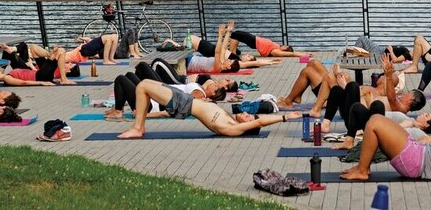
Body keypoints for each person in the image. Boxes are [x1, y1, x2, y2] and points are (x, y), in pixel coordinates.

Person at [117, 80, 302, 138]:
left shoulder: (232, 129)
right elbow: (258, 120)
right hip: (187, 100)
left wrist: (285, 118)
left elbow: (261, 121)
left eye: (248, 117)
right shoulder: (231, 120)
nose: (245, 114)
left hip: (185, 104)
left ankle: (138, 128)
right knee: (146, 83)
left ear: (248, 126)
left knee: (142, 87)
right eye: (248, 113)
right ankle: (139, 126)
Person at [228, 27, 312, 58]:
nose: (284, 45)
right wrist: (303, 53)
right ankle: (234, 53)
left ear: (285, 50)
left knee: (235, 35)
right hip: (254, 40)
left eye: (285, 46)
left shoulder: (276, 51)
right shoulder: (277, 48)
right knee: (236, 34)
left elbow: (291, 54)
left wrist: (302, 55)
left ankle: (232, 55)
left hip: (254, 41)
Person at [344, 37, 410, 62]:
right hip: (380, 50)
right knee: (362, 43)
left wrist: (391, 50)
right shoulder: (407, 52)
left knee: (362, 39)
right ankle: (351, 53)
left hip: (379, 53)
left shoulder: (407, 53)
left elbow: (395, 60)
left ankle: (351, 53)